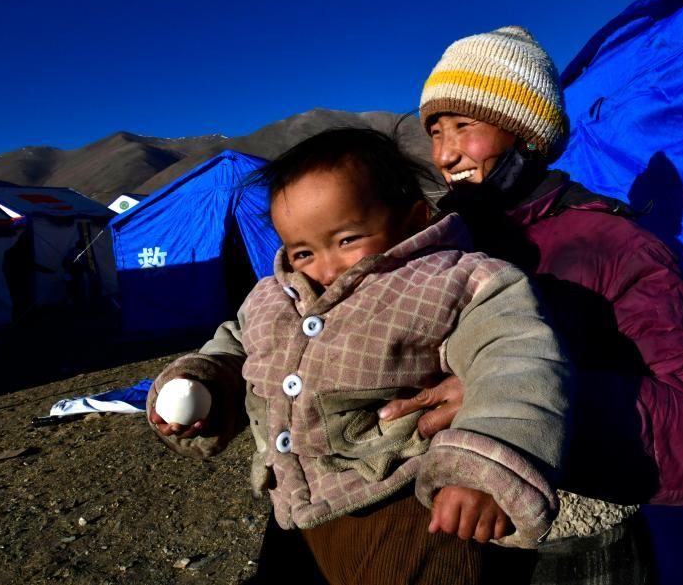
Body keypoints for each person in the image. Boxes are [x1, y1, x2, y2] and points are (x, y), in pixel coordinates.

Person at [377, 26, 683, 582]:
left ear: (526, 136)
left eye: (464, 125)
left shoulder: (615, 247)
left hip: (573, 547)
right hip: (452, 532)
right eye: (435, 130)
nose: (444, 153)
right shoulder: (444, 245)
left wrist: (523, 400)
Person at [146, 128, 582, 584]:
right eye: (303, 251)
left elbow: (516, 361)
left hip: (407, 509)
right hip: (295, 510)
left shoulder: (457, 281)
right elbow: (239, 345)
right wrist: (205, 382)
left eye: (348, 239)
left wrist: (483, 468)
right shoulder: (273, 295)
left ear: (413, 219)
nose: (328, 268)